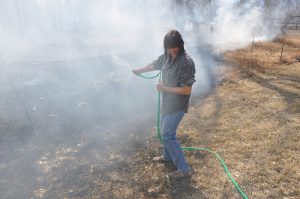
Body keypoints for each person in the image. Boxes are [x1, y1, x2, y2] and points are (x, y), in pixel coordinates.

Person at [133, 30, 196, 179]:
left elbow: (186, 90)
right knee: (164, 131)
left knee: (168, 134)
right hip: (167, 102)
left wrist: (164, 88)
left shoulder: (186, 62)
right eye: (168, 47)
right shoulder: (167, 57)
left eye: (175, 47)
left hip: (178, 105)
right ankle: (167, 157)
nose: (172, 50)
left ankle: (184, 169)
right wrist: (139, 70)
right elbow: (155, 64)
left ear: (180, 45)